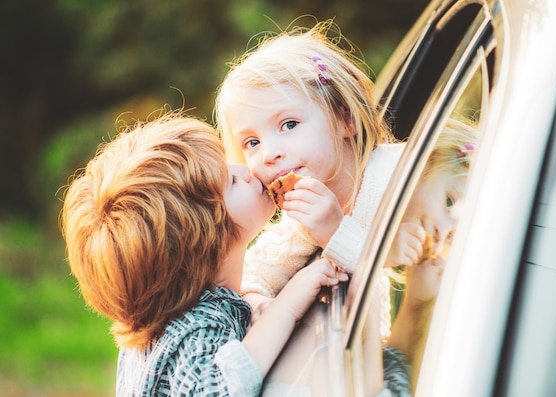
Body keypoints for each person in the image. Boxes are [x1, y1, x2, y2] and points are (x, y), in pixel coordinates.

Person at [60, 110, 349, 396]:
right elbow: (215, 391)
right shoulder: (199, 327)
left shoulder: (160, 323)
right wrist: (285, 307)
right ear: (208, 240)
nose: (245, 170)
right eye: (231, 181)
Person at [214, 19, 404, 337]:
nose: (269, 153)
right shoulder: (301, 226)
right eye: (252, 143)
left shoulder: (400, 176)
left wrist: (336, 234)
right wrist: (260, 302)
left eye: (289, 124)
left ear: (345, 118)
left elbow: (387, 299)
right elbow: (250, 277)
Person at [383, 116, 481, 392]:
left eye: (453, 236)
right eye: (450, 201)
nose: (442, 231)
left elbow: (388, 366)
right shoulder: (348, 205)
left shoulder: (390, 266)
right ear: (428, 160)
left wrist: (416, 300)